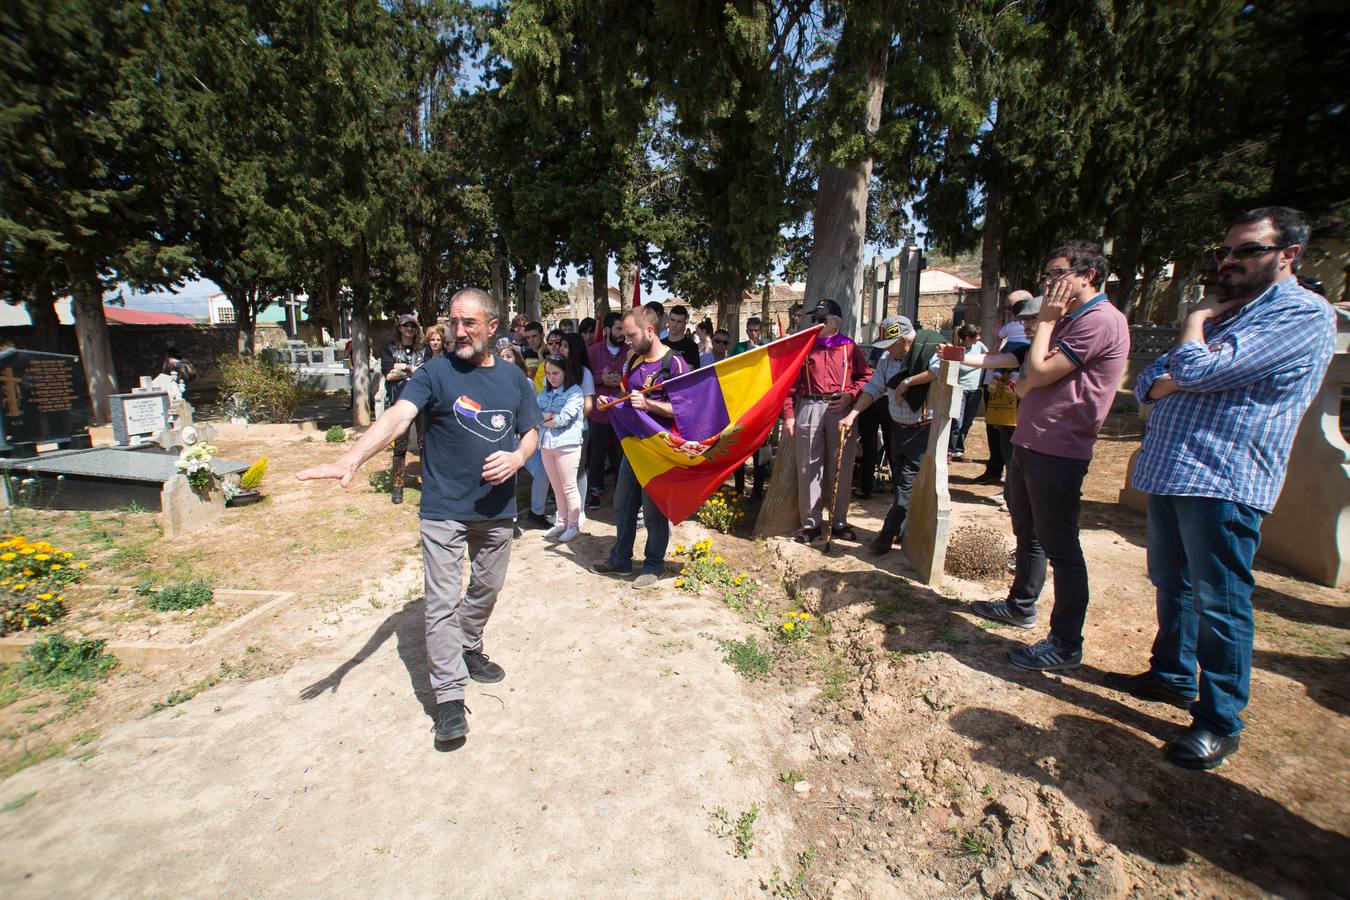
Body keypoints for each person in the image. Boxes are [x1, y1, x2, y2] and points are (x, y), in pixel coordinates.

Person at [1110, 207, 1336, 770]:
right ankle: (1171, 675)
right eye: (1225, 252)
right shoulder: (1234, 315)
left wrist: (1194, 323)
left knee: (1221, 603)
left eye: (1246, 250)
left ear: (1288, 255)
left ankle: (1219, 720)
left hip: (1224, 477)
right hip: (1173, 470)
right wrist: (1183, 367)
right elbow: (1147, 382)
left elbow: (1195, 373)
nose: (1229, 261)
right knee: (1172, 583)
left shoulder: (1301, 314)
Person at [297, 288, 541, 744]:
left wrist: (516, 457)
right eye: (453, 322)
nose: (459, 331)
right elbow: (397, 416)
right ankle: (449, 698)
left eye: (469, 323)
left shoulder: (512, 379)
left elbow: (531, 432)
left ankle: (469, 644)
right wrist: (352, 458)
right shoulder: (434, 373)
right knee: (442, 602)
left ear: (492, 327)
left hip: (495, 509)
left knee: (487, 587)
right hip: (444, 509)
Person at [966, 241, 1129, 673]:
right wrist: (1046, 336)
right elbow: (1021, 386)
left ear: (1088, 275)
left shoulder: (1099, 321)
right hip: (1030, 439)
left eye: (1057, 274)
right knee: (1029, 533)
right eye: (1046, 276)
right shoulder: (1067, 322)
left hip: (1060, 448)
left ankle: (1065, 642)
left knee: (1061, 547)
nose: (1049, 284)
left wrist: (1046, 324)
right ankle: (1021, 606)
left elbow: (1034, 374)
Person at [591, 306, 689, 588]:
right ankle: (620, 560)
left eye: (631, 334)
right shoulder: (634, 361)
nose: (626, 340)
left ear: (649, 331)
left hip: (658, 452)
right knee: (622, 505)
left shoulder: (675, 364)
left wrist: (650, 404)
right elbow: (625, 394)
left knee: (653, 511)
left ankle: (653, 565)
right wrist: (610, 402)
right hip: (633, 448)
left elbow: (684, 411)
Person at [840, 315, 952, 555]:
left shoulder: (928, 349)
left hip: (922, 429)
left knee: (906, 483)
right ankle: (904, 530)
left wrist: (908, 381)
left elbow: (937, 368)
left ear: (905, 340)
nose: (888, 351)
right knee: (901, 480)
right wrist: (852, 415)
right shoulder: (886, 359)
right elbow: (873, 388)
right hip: (898, 428)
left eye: (891, 345)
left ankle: (887, 533)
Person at [784, 299, 870, 543]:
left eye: (821, 320)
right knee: (807, 467)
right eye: (814, 319)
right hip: (809, 406)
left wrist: (850, 395)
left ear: (835, 323)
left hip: (839, 410)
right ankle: (810, 524)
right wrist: (789, 416)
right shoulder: (805, 347)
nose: (816, 324)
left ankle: (838, 521)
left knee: (841, 466)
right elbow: (789, 385)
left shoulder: (849, 347)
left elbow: (866, 377)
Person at [976, 290, 1034, 484]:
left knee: (1011, 436)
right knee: (996, 433)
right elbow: (991, 358)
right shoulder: (1008, 330)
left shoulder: (1031, 337)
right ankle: (994, 470)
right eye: (1007, 308)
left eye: (1013, 308)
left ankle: (1011, 481)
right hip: (995, 386)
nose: (1009, 313)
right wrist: (998, 340)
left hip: (1015, 391)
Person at [536, 356, 586, 542]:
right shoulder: (545, 391)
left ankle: (573, 526)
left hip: (567, 444)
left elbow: (563, 419)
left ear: (566, 371)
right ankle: (562, 522)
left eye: (555, 373)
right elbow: (536, 412)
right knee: (557, 488)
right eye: (548, 373)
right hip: (546, 444)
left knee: (569, 486)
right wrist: (549, 417)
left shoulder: (575, 392)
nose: (551, 377)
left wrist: (546, 418)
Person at [380, 313, 427, 505]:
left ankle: (428, 483)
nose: (409, 329)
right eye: (406, 326)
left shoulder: (424, 349)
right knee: (400, 446)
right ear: (399, 328)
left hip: (423, 402)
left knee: (426, 445)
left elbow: (427, 372)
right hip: (399, 403)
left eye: (413, 326)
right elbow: (389, 374)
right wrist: (412, 368)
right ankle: (397, 485)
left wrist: (401, 368)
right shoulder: (389, 348)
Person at [585, 312, 629, 509]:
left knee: (621, 455)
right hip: (598, 413)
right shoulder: (593, 351)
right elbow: (581, 377)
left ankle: (621, 494)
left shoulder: (630, 351)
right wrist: (600, 378)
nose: (622, 333)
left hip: (622, 414)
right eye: (619, 329)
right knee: (596, 454)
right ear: (607, 330)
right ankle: (595, 490)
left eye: (624, 329)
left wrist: (621, 381)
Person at [949, 324, 988, 462]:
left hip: (975, 389)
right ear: (967, 338)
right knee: (957, 422)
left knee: (967, 422)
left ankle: (958, 450)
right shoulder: (957, 349)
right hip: (961, 389)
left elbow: (989, 356)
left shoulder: (979, 346)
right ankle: (951, 450)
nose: (979, 338)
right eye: (975, 336)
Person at [662, 304, 701, 369]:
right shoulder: (660, 343)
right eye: (672, 320)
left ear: (685, 324)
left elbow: (688, 372)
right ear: (668, 320)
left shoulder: (691, 347)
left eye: (679, 322)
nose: (674, 325)